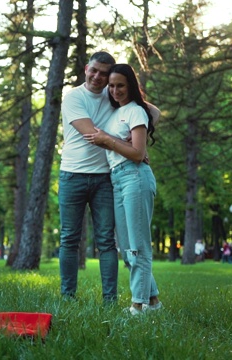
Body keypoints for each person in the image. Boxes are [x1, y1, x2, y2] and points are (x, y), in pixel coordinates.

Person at [84, 63, 161, 315]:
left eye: (121, 86)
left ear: (131, 87)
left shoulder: (135, 111)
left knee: (138, 246)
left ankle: (137, 306)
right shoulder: (115, 112)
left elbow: (138, 154)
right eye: (112, 86)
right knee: (128, 248)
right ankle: (154, 303)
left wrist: (109, 140)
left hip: (135, 177)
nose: (115, 90)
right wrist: (117, 140)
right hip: (116, 180)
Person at [59, 51, 120, 303]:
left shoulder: (115, 95)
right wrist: (129, 144)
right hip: (72, 175)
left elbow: (153, 113)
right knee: (69, 238)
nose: (98, 76)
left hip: (104, 178)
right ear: (86, 68)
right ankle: (67, 298)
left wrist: (139, 140)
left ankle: (110, 301)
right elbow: (92, 134)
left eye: (104, 73)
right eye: (94, 70)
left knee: (106, 241)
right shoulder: (73, 97)